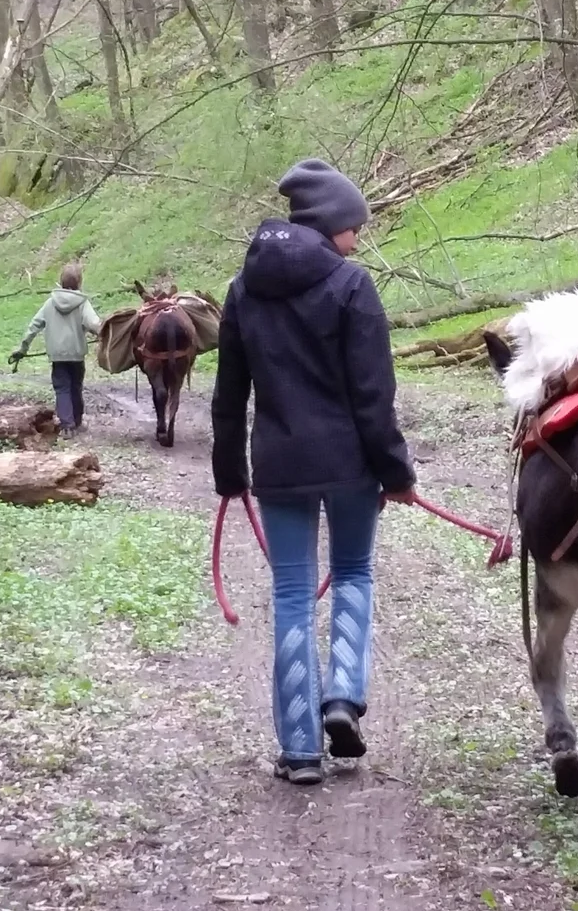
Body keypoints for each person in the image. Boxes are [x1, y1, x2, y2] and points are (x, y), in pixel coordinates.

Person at [212, 158, 417, 786]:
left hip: (279, 466)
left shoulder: (243, 290)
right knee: (353, 573)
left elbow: (229, 393)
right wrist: (396, 472)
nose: (358, 236)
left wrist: (229, 471)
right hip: (350, 465)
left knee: (292, 595)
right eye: (355, 225)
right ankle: (343, 697)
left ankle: (300, 749)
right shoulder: (352, 286)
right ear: (331, 223)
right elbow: (373, 397)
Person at [10, 263, 100, 434]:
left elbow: (34, 326)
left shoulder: (50, 303)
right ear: (79, 282)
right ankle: (77, 421)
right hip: (76, 354)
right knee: (76, 387)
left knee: (62, 389)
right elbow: (94, 324)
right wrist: (104, 334)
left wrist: (23, 348)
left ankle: (67, 426)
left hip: (57, 356)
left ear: (61, 281)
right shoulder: (82, 303)